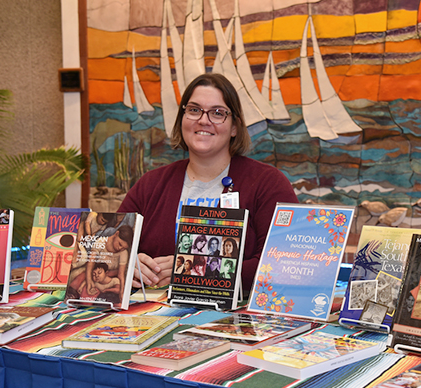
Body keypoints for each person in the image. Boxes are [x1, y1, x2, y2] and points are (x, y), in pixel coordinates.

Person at [118, 73, 298, 292]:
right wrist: (129, 265)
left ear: (234, 127)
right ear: (182, 119)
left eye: (217, 113)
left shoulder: (268, 184)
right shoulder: (151, 184)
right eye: (194, 110)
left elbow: (283, 265)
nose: (204, 120)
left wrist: (189, 272)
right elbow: (110, 252)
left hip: (236, 319)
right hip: (154, 317)